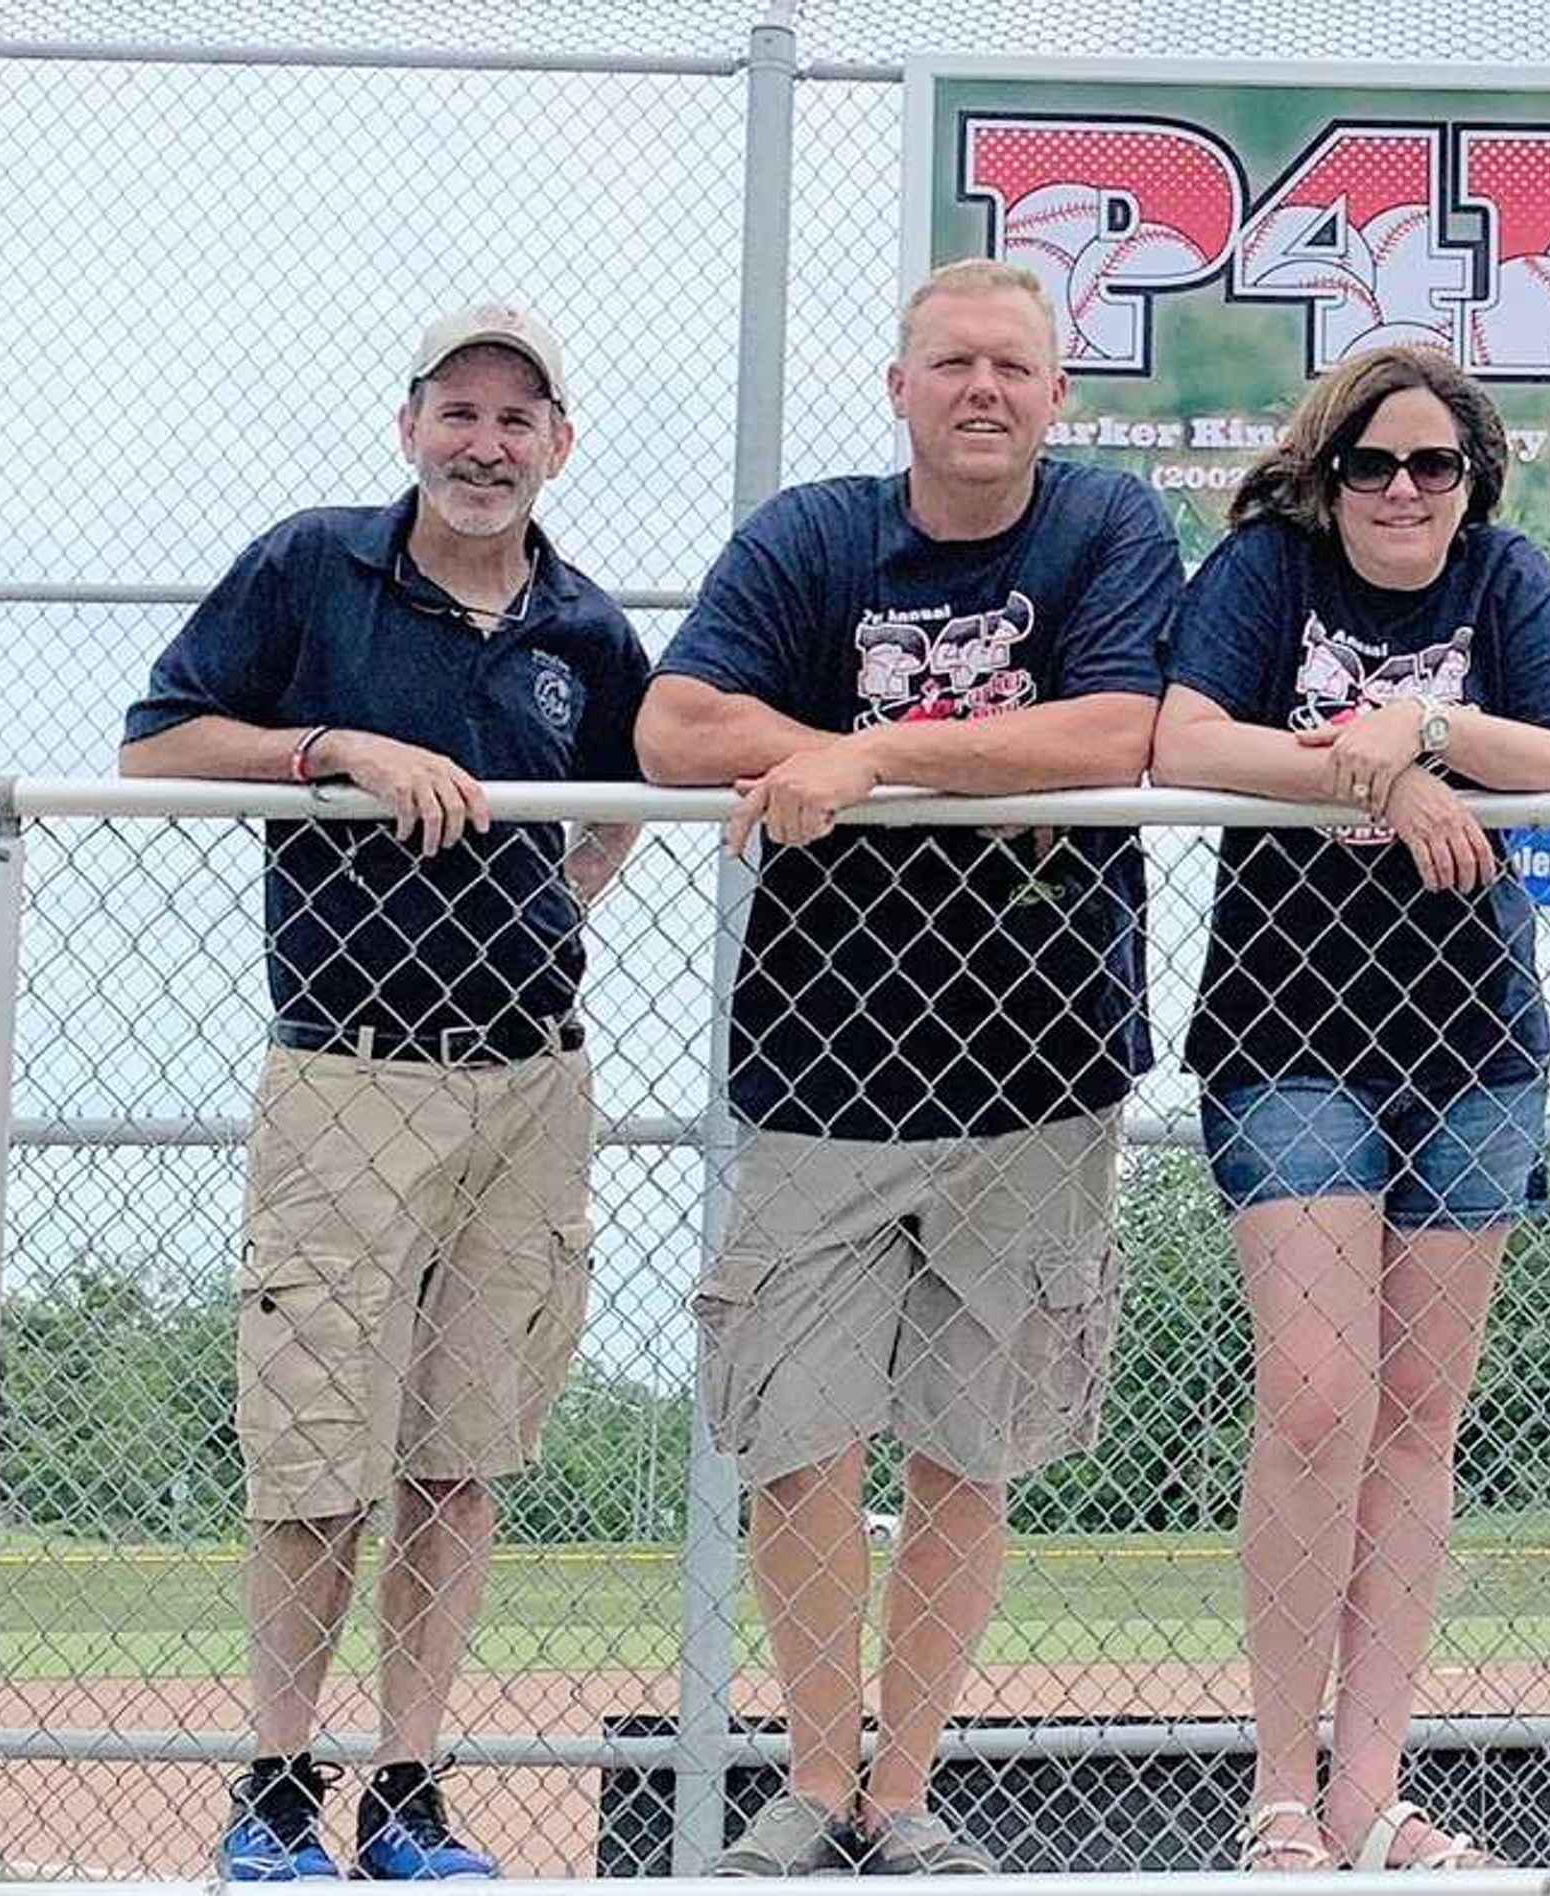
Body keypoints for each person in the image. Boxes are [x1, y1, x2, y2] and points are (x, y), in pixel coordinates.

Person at [634, 259, 1182, 1877]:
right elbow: (673, 727)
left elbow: (1112, 733)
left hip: (1035, 1061)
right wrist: (800, 748)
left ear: (1057, 394)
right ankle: (812, 1782)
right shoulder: (816, 537)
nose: (983, 390)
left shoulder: (1103, 531)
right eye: (952, 361)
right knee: (800, 1437)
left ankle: (906, 1794)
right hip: (821, 1059)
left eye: (1015, 365)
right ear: (899, 386)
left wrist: (862, 755)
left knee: (972, 1442)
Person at [128, 303, 644, 1884]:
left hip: (529, 1082)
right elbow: (158, 745)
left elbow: (629, 797)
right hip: (349, 1069)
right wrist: (330, 747)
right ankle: (275, 1791)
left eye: (518, 420)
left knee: (458, 1455)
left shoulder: (587, 628)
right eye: (460, 413)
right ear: (411, 423)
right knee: (315, 1452)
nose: (486, 446)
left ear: (559, 445)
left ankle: (408, 1793)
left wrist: (558, 896)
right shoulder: (314, 567)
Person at [1149, 344, 1550, 1873]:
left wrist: (1423, 737)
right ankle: (1280, 1795)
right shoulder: (1266, 570)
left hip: (1474, 1044)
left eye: (1433, 465)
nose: (1404, 491)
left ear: (1474, 475)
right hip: (1292, 1035)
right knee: (1313, 1402)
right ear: (1327, 472)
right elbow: (1190, 739)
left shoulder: (1507, 579)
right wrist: (1371, 782)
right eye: (1373, 464)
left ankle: (1370, 1791)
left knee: (1418, 1423)